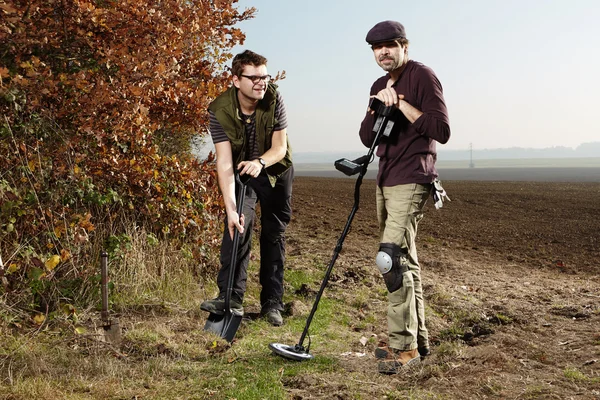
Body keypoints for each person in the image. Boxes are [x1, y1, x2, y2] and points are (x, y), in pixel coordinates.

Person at [358, 21, 451, 373]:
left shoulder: (422, 77)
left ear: (403, 46)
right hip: (385, 178)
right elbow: (368, 137)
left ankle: (403, 348)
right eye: (376, 48)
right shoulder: (378, 84)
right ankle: (420, 342)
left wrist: (403, 105)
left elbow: (441, 130)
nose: (382, 52)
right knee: (406, 262)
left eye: (389, 45)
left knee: (389, 259)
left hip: (413, 176)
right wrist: (377, 106)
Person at [200, 50, 293, 327]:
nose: (261, 82)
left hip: (276, 170)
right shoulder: (219, 110)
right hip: (243, 174)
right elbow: (225, 163)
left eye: (264, 76)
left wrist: (260, 162)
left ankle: (272, 303)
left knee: (274, 235)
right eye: (253, 77)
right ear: (236, 80)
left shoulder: (274, 98)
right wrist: (230, 208)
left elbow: (280, 148)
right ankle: (230, 297)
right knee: (237, 226)